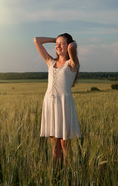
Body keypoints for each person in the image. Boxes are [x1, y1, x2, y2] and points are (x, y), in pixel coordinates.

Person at [34, 33, 81, 166]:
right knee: (54, 145)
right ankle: (55, 173)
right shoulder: (50, 62)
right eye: (57, 43)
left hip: (64, 105)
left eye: (62, 43)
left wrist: (69, 44)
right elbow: (36, 40)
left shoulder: (72, 64)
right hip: (49, 104)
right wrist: (55, 39)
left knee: (64, 145)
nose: (58, 45)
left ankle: (67, 173)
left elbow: (73, 47)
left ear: (68, 46)